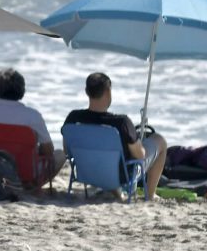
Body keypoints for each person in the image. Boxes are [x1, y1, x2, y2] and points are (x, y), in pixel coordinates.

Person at [62, 72, 166, 201]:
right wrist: (138, 142)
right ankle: (150, 195)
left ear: (86, 91)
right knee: (159, 141)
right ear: (108, 92)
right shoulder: (121, 123)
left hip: (87, 173)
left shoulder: (73, 119)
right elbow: (140, 156)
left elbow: (67, 151)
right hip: (120, 177)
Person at [0, 68, 66, 184]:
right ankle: (30, 187)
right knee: (60, 155)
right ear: (22, 90)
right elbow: (48, 150)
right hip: (25, 173)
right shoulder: (33, 116)